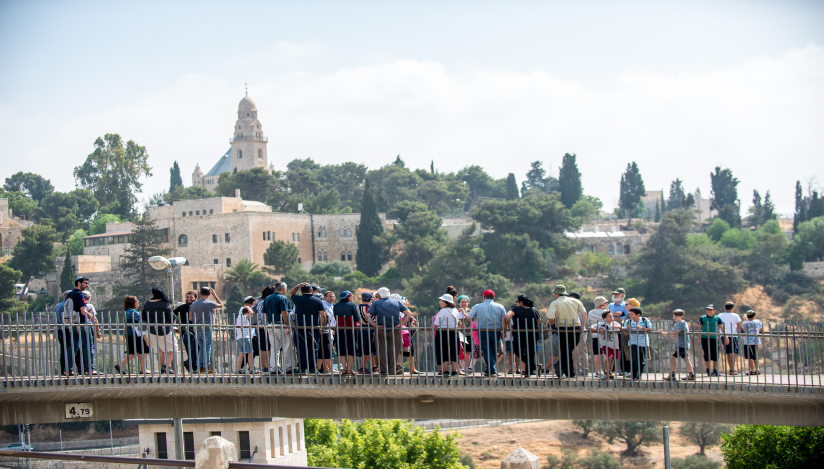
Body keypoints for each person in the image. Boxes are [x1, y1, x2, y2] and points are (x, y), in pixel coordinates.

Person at [367, 287, 412, 375]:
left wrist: (375, 325)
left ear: (379, 295)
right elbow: (409, 314)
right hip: (395, 330)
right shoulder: (396, 302)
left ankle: (383, 370)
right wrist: (401, 324)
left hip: (381, 330)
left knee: (381, 351)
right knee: (394, 351)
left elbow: (367, 316)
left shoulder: (376, 303)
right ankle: (392, 370)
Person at [546, 285, 585, 378]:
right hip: (575, 327)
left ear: (556, 294)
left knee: (566, 350)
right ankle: (567, 371)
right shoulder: (575, 301)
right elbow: (584, 313)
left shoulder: (555, 303)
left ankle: (563, 367)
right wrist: (582, 326)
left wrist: (551, 326)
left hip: (562, 328)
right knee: (569, 349)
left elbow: (550, 317)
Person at [468, 289, 506, 377]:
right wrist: (504, 331)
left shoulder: (477, 306)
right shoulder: (500, 307)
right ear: (494, 297)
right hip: (496, 331)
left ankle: (490, 370)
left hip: (483, 331)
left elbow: (470, 317)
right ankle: (491, 370)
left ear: (484, 297)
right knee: (494, 351)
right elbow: (504, 320)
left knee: (486, 351)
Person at [290, 282, 327, 374]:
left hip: (300, 327)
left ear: (301, 291)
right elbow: (323, 315)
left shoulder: (298, 299)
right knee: (313, 348)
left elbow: (291, 293)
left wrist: (297, 286)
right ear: (311, 290)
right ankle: (312, 368)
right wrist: (322, 327)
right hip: (313, 327)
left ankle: (302, 368)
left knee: (301, 348)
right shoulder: (317, 301)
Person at [142, 287, 178, 374]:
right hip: (164, 329)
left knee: (159, 349)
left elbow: (143, 317)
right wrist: (171, 325)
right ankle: (166, 366)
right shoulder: (164, 303)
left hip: (151, 329)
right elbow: (172, 316)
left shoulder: (147, 303)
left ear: (152, 294)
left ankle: (162, 368)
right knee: (174, 348)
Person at [189, 286, 223, 373]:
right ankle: (206, 367)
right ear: (209, 294)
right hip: (207, 329)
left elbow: (190, 318)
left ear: (200, 293)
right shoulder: (209, 303)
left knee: (201, 348)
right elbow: (221, 305)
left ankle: (200, 367)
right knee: (207, 348)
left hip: (197, 329)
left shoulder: (193, 304)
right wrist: (215, 295)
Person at [505, 295, 541, 376]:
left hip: (519, 335)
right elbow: (539, 322)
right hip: (532, 335)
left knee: (518, 351)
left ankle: (531, 368)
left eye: (517, 301)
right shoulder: (534, 309)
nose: (516, 303)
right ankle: (530, 369)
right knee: (531, 353)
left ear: (521, 302)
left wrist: (506, 326)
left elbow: (507, 316)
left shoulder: (515, 309)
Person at [263, 282, 294, 374]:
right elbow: (284, 313)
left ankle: (274, 367)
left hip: (270, 324)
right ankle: (288, 367)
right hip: (281, 325)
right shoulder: (282, 298)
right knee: (287, 346)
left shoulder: (267, 298)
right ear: (284, 289)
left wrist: (268, 322)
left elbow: (264, 313)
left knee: (274, 347)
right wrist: (288, 325)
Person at [67, 277, 96, 375]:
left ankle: (68, 369)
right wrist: (91, 316)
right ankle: (89, 369)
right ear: (79, 283)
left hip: (73, 324)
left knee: (73, 347)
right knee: (88, 347)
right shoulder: (80, 295)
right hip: (82, 324)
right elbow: (83, 311)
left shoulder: (70, 294)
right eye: (85, 283)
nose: (87, 285)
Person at [659, 309, 694, 381]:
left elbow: (677, 332)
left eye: (676, 316)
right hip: (679, 344)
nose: (674, 317)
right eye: (674, 316)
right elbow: (675, 334)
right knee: (686, 359)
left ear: (681, 316)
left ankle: (673, 375)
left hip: (683, 344)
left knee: (673, 358)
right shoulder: (676, 325)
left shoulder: (683, 323)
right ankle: (691, 375)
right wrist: (674, 334)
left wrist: (664, 333)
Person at [116, 296, 149, 374]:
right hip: (136, 333)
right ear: (132, 302)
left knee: (135, 352)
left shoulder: (127, 311)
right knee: (141, 351)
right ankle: (143, 369)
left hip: (130, 333)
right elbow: (141, 320)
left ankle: (121, 365)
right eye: (136, 300)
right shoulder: (133, 312)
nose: (138, 302)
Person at [433, 294, 460, 375]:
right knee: (454, 351)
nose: (440, 302)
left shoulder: (443, 311)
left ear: (446, 302)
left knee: (443, 351)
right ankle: (454, 370)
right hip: (454, 332)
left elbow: (436, 324)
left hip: (443, 332)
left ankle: (445, 370)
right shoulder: (455, 310)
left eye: (441, 301)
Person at [334, 291, 359, 375]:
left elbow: (335, 317)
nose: (352, 298)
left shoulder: (336, 306)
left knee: (341, 349)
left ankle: (344, 368)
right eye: (352, 297)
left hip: (339, 329)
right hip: (350, 329)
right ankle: (350, 369)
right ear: (348, 297)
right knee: (351, 349)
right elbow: (356, 318)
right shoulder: (352, 305)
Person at [591, 311, 622, 379]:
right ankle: (606, 371)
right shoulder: (601, 324)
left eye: (612, 316)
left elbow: (622, 328)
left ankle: (609, 372)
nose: (611, 318)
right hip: (605, 344)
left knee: (612, 358)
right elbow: (590, 327)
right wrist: (599, 330)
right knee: (609, 357)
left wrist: (617, 327)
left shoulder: (615, 323)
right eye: (609, 317)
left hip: (614, 344)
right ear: (604, 318)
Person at [624, 307, 652, 380]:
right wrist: (628, 328)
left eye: (632, 314)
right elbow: (626, 333)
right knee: (634, 357)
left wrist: (641, 328)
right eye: (630, 314)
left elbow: (650, 329)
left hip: (643, 343)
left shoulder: (645, 320)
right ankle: (633, 374)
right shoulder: (628, 321)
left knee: (641, 359)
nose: (630, 316)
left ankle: (639, 374)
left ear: (638, 314)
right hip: (633, 342)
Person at [173, 291, 198, 373]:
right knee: (190, 351)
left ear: (195, 298)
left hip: (198, 331)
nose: (189, 299)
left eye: (191, 297)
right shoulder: (182, 308)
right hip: (187, 332)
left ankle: (189, 363)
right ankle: (194, 368)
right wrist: (174, 326)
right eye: (187, 297)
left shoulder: (198, 307)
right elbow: (171, 315)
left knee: (199, 349)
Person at [54, 290, 77, 376]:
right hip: (66, 329)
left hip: (59, 329)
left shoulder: (57, 305)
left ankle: (62, 369)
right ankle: (66, 369)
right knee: (68, 349)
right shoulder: (67, 306)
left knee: (63, 349)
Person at [699, 304, 726, 377]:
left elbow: (722, 327)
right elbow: (699, 328)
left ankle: (715, 370)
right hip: (705, 338)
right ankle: (708, 370)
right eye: (707, 310)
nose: (709, 311)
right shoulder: (703, 318)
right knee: (707, 354)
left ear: (714, 311)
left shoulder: (717, 318)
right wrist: (699, 338)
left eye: (710, 310)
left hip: (714, 338)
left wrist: (726, 336)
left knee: (715, 354)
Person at [253, 286, 274, 373]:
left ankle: (269, 365)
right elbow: (262, 315)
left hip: (266, 326)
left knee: (269, 347)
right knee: (264, 347)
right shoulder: (262, 302)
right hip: (263, 327)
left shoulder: (263, 301)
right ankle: (264, 366)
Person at [567, 291, 589, 376]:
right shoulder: (570, 306)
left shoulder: (579, 305)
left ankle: (584, 370)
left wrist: (582, 326)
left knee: (581, 351)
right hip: (573, 330)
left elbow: (584, 314)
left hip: (579, 330)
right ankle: (576, 370)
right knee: (574, 352)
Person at [587, 296, 610, 377]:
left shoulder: (590, 312)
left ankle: (598, 371)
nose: (606, 304)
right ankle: (607, 370)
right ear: (601, 303)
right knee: (606, 353)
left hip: (595, 335)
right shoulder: (605, 312)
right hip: (604, 335)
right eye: (605, 303)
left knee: (597, 353)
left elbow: (589, 324)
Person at [718, 301, 742, 375]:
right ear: (732, 308)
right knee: (733, 352)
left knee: (728, 353)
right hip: (733, 335)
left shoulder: (720, 315)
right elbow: (739, 326)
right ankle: (732, 369)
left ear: (725, 308)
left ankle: (730, 369)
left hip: (723, 335)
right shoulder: (735, 315)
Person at [356, 292, 377, 374]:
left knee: (367, 349)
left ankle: (373, 366)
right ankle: (362, 367)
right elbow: (370, 318)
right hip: (369, 328)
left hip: (361, 328)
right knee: (367, 349)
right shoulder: (370, 307)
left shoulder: (358, 306)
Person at [236, 296, 257, 374]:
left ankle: (238, 369)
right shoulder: (244, 317)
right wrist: (248, 307)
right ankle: (251, 369)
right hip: (245, 337)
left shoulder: (239, 317)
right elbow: (252, 313)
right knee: (250, 352)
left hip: (239, 338)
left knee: (241, 354)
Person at [317, 290, 336, 373]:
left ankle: (326, 368)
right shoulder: (322, 306)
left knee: (326, 350)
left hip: (329, 330)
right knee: (325, 350)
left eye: (333, 296)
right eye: (330, 296)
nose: (332, 298)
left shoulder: (331, 306)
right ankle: (323, 368)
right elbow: (324, 318)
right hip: (324, 331)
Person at [740, 310, 763, 375]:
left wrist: (745, 320)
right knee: (755, 355)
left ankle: (752, 370)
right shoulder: (758, 321)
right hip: (756, 341)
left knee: (750, 356)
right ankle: (757, 369)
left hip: (747, 342)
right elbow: (761, 329)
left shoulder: (745, 323)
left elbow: (742, 329)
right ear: (754, 316)